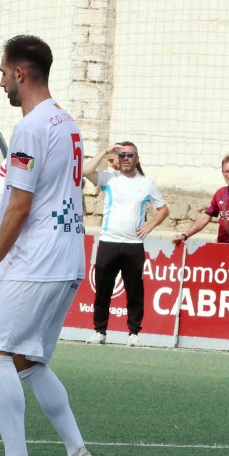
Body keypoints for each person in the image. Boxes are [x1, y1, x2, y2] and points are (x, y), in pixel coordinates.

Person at [0, 35, 103, 456]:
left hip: (36, 260)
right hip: (68, 257)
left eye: (3, 73)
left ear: (20, 74)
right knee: (29, 361)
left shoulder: (29, 128)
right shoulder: (67, 121)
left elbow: (19, 206)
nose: (2, 82)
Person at [83, 142, 169, 346]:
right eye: (122, 155)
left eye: (130, 155)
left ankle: (133, 333)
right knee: (103, 289)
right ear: (118, 159)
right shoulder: (110, 179)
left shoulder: (146, 183)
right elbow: (86, 171)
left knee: (135, 291)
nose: (126, 158)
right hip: (109, 242)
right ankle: (100, 331)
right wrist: (105, 151)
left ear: (136, 159)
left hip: (133, 244)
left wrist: (150, 225)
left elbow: (163, 209)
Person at [173, 155, 229, 251]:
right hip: (222, 247)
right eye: (226, 171)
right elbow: (205, 217)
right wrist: (185, 236)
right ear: (223, 173)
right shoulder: (220, 193)